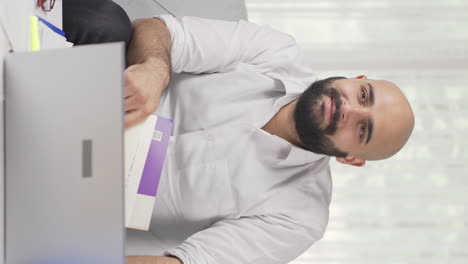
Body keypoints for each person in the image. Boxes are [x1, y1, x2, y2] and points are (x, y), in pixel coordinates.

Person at [63, 1, 415, 264]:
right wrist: (155, 70)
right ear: (356, 80)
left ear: (352, 158)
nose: (348, 108)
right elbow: (161, 31)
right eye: (364, 95)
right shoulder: (277, 52)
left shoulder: (300, 217)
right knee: (106, 22)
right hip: (95, 91)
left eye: (363, 129)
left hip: (84, 196)